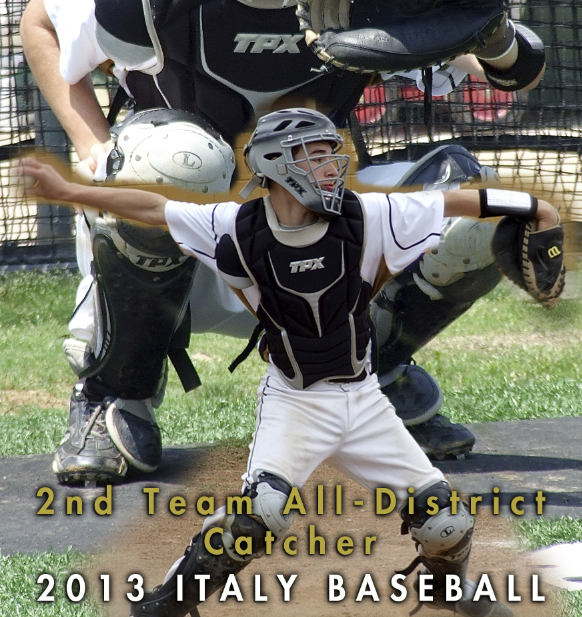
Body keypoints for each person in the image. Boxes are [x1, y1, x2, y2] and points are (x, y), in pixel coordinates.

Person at [19, 0, 546, 484]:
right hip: (176, 248)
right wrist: (89, 143)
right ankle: (116, 392)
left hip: (320, 255)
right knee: (176, 155)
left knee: (487, 206)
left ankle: (371, 372)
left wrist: (490, 34)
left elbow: (508, 70)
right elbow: (41, 24)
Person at [20, 108, 558, 617]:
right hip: (295, 402)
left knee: (445, 522)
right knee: (259, 516)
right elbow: (155, 209)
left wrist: (538, 208)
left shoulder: (370, 215)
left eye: (331, 154)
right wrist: (68, 191)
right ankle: (167, 602)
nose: (332, 166)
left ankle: (445, 588)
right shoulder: (237, 226)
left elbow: (455, 203)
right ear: (277, 164)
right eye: (315, 156)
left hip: (365, 400)